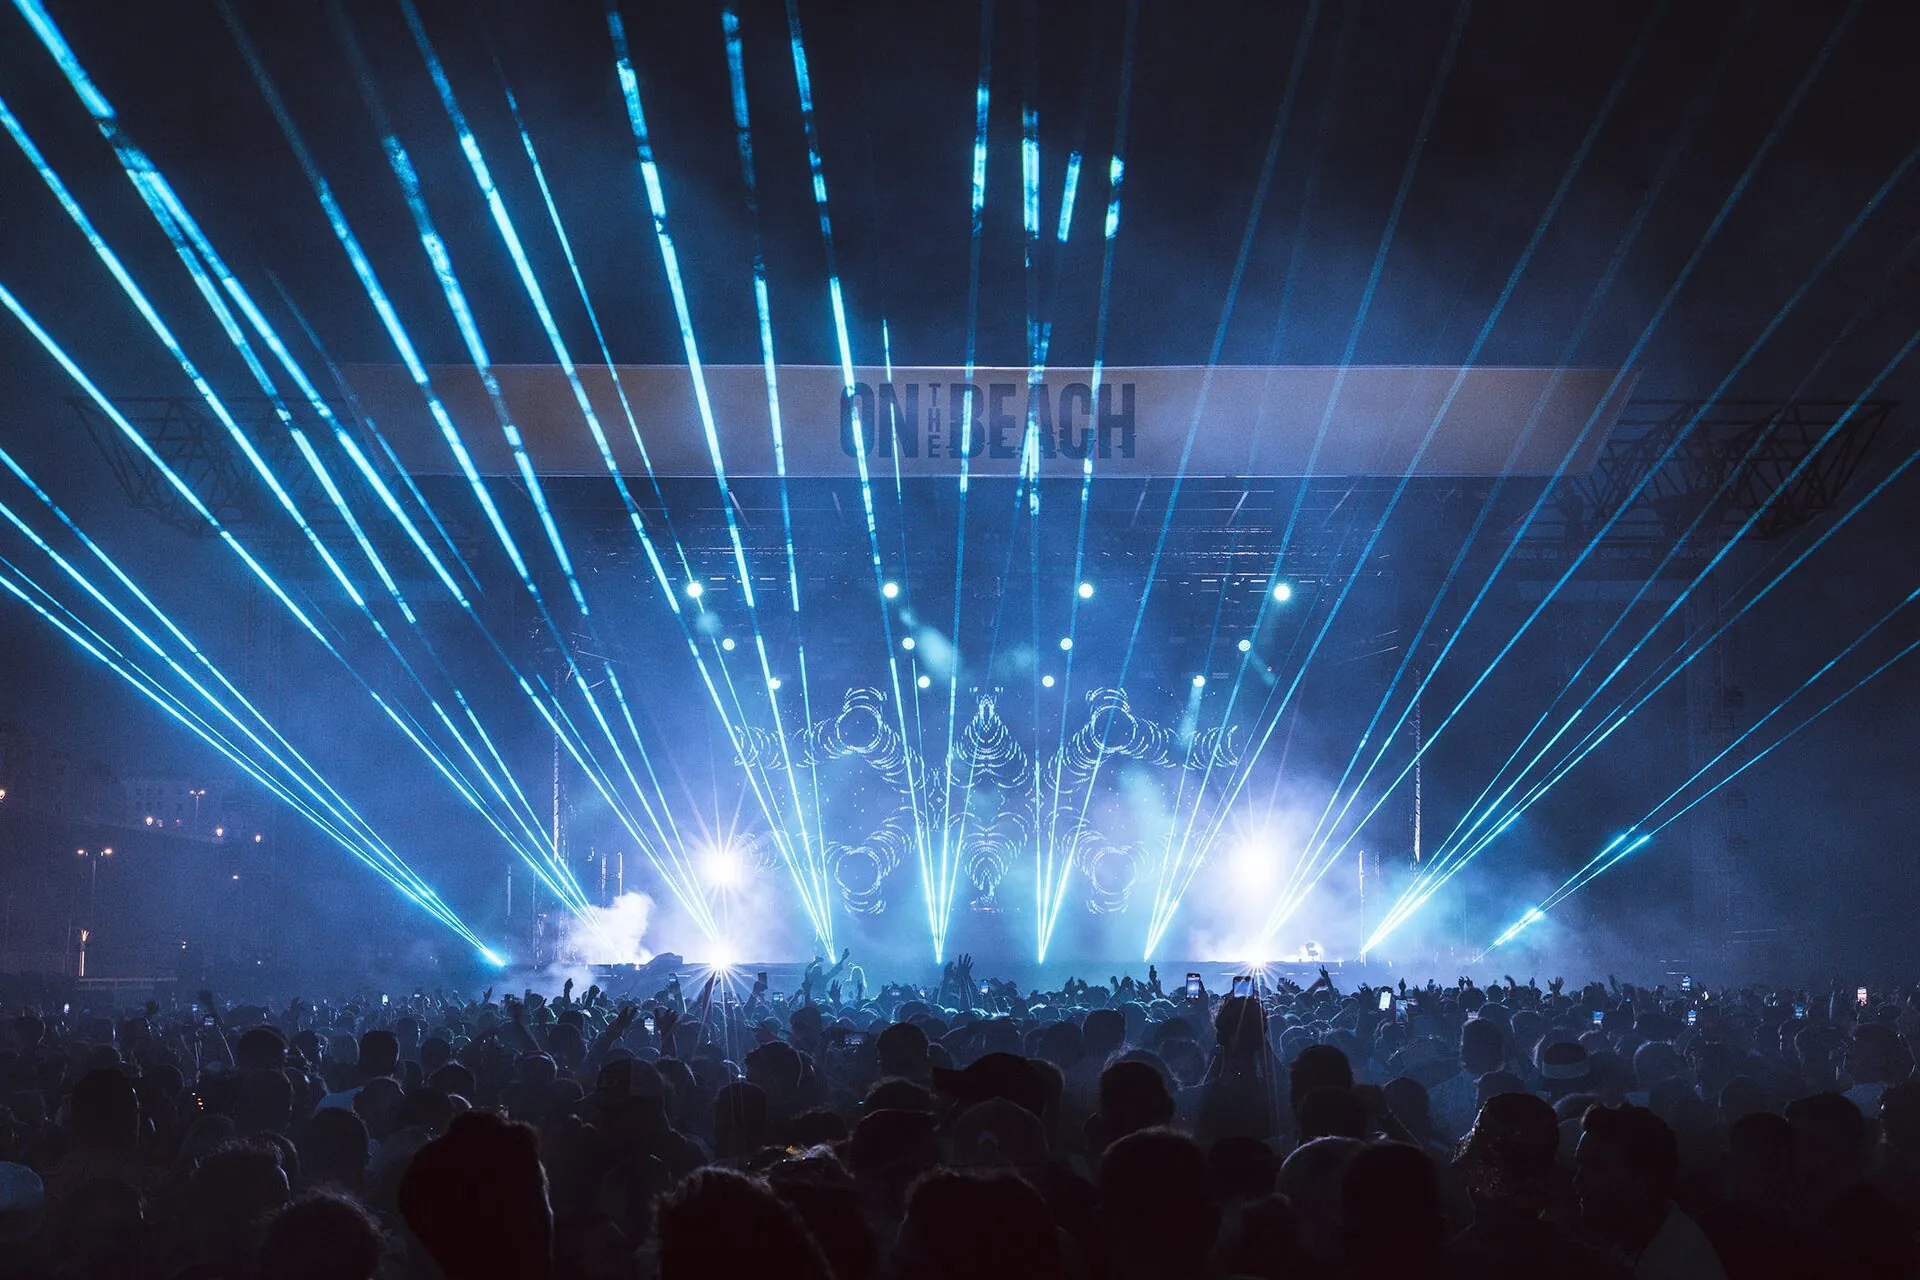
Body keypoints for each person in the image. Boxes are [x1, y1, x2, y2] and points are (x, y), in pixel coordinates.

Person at [1574, 1103, 1726, 1279]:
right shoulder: (1630, 1244)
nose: (1578, 1181)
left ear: (1645, 1176)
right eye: (1580, 1165)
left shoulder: (1683, 1266)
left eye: (1597, 1167)